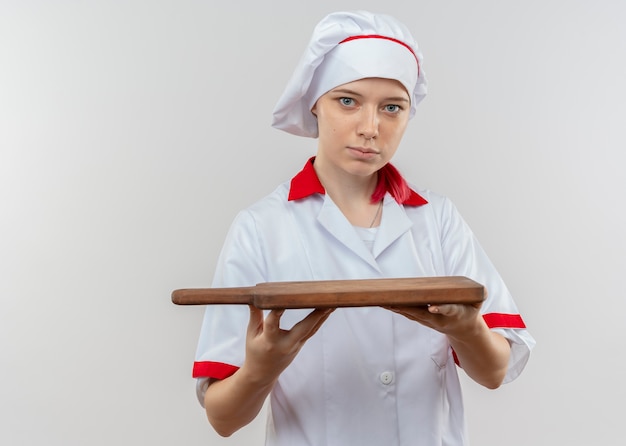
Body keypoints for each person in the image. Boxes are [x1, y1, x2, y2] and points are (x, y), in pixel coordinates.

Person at [192, 10, 535, 446]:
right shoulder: (261, 227)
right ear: (315, 102)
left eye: (392, 108)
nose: (371, 128)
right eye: (348, 101)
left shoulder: (437, 219)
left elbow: (494, 372)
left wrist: (466, 330)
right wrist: (261, 369)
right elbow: (223, 418)